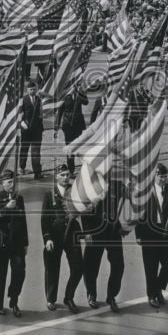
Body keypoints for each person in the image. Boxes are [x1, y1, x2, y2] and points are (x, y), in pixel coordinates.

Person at [135, 163, 168, 308]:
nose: (163, 179)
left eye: (165, 176)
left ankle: (157, 288)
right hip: (150, 233)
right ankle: (152, 295)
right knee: (151, 267)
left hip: (166, 233)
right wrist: (138, 234)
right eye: (160, 176)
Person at [41, 164, 84, 312]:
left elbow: (84, 208)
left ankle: (69, 297)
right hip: (55, 235)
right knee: (52, 268)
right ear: (56, 176)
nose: (66, 178)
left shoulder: (76, 191)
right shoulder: (49, 194)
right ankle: (51, 298)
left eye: (67, 175)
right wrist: (47, 238)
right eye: (62, 175)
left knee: (78, 267)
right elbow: (44, 219)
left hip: (72, 234)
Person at [82, 176, 126, 312]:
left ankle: (111, 296)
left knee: (118, 264)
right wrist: (86, 231)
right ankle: (91, 293)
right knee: (91, 264)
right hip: (95, 229)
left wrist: (130, 184)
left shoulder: (118, 183)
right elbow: (84, 209)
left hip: (113, 229)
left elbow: (130, 194)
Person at [0, 169, 28, 317]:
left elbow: (23, 221)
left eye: (14, 182)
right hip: (2, 240)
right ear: (3, 183)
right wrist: (6, 208)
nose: (12, 185)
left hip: (17, 241)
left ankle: (14, 300)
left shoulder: (20, 198)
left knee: (19, 271)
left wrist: (25, 243)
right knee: (0, 273)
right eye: (9, 182)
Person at [55, 80, 88, 174]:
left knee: (80, 147)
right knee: (70, 148)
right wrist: (56, 127)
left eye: (77, 85)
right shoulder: (65, 96)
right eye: (74, 86)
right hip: (68, 125)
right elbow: (60, 112)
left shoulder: (80, 94)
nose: (75, 87)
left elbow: (86, 102)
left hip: (78, 125)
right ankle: (71, 170)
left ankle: (84, 168)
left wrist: (79, 93)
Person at [20, 80, 45, 179]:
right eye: (31, 90)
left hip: (36, 130)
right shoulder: (23, 100)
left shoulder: (39, 100)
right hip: (25, 130)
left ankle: (37, 172)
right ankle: (22, 167)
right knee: (24, 150)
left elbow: (42, 113)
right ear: (27, 90)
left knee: (36, 152)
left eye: (34, 89)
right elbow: (18, 114)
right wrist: (22, 123)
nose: (33, 91)